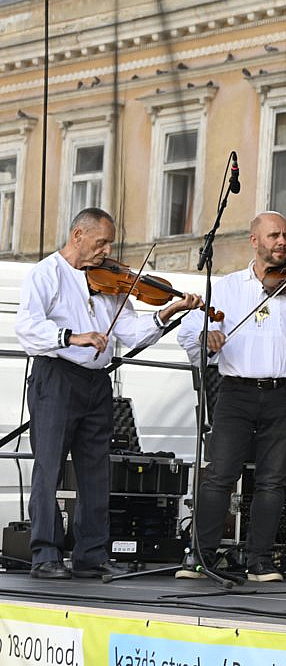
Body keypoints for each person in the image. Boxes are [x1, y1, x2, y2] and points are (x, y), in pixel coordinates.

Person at [16, 208, 202, 579]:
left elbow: (130, 332)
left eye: (110, 244)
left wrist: (167, 312)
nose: (107, 251)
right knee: (49, 468)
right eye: (101, 242)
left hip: (96, 381)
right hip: (56, 377)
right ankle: (45, 555)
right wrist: (72, 337)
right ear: (78, 235)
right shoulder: (46, 273)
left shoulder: (109, 283)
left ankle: (91, 553)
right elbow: (27, 327)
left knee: (96, 470)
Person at [177, 211, 286, 582]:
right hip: (236, 392)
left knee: (272, 480)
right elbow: (190, 331)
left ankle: (259, 560)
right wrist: (206, 337)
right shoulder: (228, 287)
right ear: (255, 241)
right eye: (273, 235)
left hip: (285, 393)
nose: (282, 242)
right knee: (219, 474)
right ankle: (200, 556)